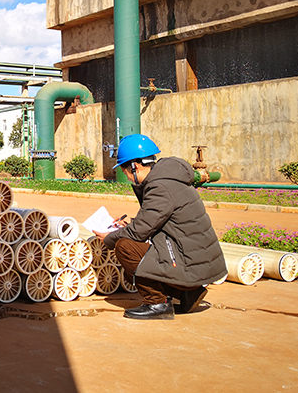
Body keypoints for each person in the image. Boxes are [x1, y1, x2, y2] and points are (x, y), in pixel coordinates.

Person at [94, 134, 227, 320]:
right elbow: (155, 220)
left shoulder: (159, 187)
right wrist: (128, 224)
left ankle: (157, 303)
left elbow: (140, 231)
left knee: (125, 246)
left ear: (135, 166)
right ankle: (189, 293)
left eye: (126, 173)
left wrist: (109, 237)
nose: (129, 178)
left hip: (191, 263)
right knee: (131, 239)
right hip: (198, 261)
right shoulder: (168, 178)